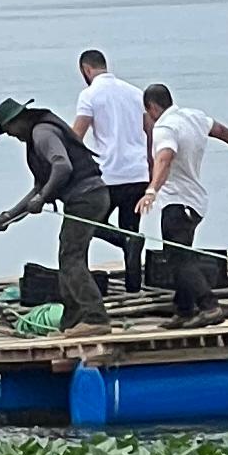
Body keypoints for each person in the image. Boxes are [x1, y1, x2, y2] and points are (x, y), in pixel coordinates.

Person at [139, 82, 228, 327]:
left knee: (178, 259)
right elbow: (225, 133)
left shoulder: (164, 128)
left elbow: (164, 158)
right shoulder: (194, 117)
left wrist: (151, 190)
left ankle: (209, 306)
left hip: (177, 202)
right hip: (195, 203)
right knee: (182, 255)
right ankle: (184, 309)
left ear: (152, 107)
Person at [0, 95, 112, 331]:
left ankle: (95, 318)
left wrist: (43, 198)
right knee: (69, 257)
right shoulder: (36, 136)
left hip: (87, 197)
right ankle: (73, 321)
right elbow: (39, 187)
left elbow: (62, 166)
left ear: (18, 121)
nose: (11, 135)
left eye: (9, 129)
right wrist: (9, 216)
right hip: (88, 196)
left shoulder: (42, 133)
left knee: (71, 258)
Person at [70, 48, 152, 294]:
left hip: (108, 175)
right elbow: (151, 132)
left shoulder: (89, 95)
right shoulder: (135, 93)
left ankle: (121, 242)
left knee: (89, 224)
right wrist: (150, 165)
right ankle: (133, 287)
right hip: (138, 173)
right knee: (131, 228)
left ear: (86, 69)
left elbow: (76, 136)